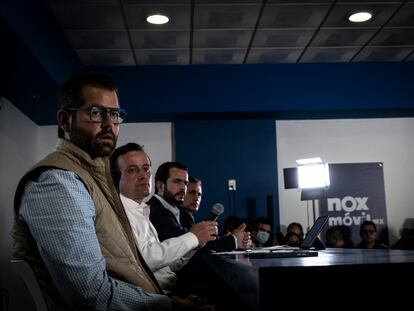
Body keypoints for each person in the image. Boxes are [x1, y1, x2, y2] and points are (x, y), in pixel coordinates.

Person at [11, 72, 209, 311]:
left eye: (114, 114)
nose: (109, 124)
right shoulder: (57, 183)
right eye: (96, 113)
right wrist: (169, 305)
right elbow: (91, 295)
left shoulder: (91, 178)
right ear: (65, 120)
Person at [110, 143, 217, 292]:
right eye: (132, 170)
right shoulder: (118, 214)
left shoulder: (142, 210)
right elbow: (144, 262)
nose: (143, 175)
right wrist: (193, 237)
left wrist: (194, 246)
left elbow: (165, 267)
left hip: (168, 291)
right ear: (116, 178)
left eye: (146, 168)